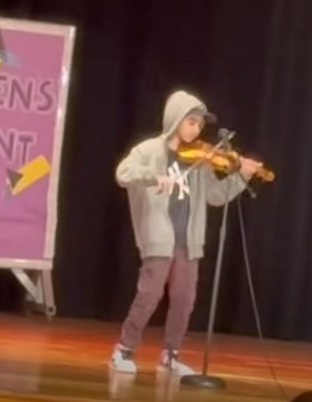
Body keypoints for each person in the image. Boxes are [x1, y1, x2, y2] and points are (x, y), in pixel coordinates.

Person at [110, 90, 262, 375]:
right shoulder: (149, 150)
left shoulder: (201, 160)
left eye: (200, 124)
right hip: (159, 239)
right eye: (191, 121)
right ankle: (124, 350)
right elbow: (123, 173)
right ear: (175, 118)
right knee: (149, 296)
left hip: (188, 242)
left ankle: (171, 354)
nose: (196, 128)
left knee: (185, 299)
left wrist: (242, 176)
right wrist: (154, 177)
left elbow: (216, 196)